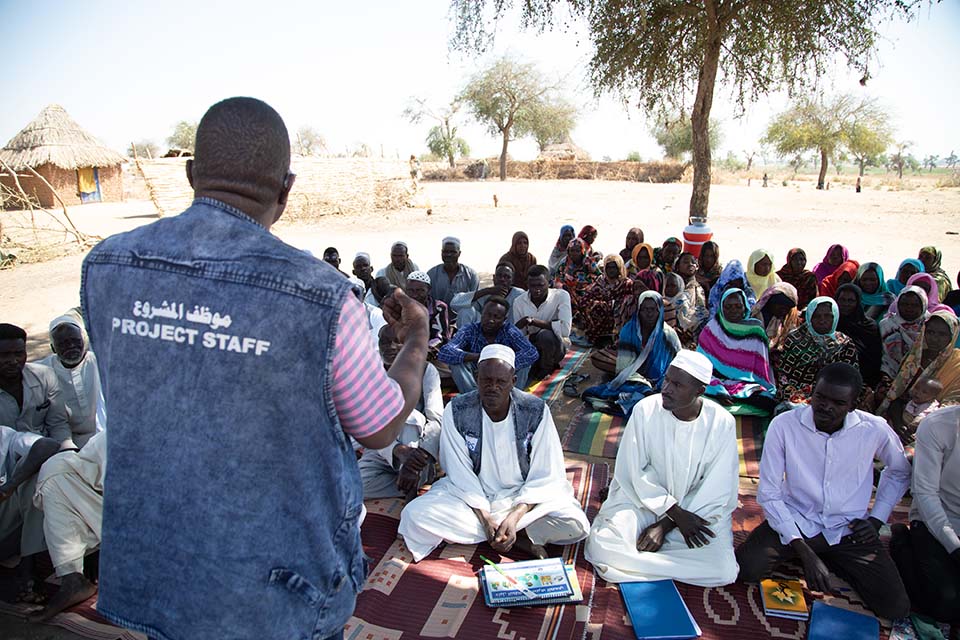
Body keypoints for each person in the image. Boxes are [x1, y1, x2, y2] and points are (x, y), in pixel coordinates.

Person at [79, 97, 430, 640]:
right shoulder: (321, 295)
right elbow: (381, 424)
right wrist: (417, 339)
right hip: (278, 593)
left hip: (161, 572)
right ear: (286, 190)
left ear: (192, 173)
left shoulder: (106, 266)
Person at [736, 363, 912, 621]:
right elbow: (770, 493)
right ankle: (812, 553)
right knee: (747, 569)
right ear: (811, 393)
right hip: (797, 521)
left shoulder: (873, 429)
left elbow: (899, 471)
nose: (826, 407)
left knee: (895, 608)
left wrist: (876, 519)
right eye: (820, 397)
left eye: (838, 403)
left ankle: (831, 555)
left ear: (853, 405)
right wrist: (803, 549)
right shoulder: (784, 425)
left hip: (848, 528)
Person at [398, 345, 590, 562]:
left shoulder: (535, 410)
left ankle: (508, 531)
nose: (493, 388)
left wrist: (517, 515)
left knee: (575, 523)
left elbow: (546, 473)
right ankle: (517, 537)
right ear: (476, 378)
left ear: (514, 381)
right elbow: (459, 472)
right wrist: (485, 517)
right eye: (487, 381)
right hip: (471, 499)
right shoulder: (457, 409)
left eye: (501, 382)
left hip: (524, 498)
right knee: (414, 516)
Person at [585, 351, 739, 586]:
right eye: (666, 380)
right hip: (640, 502)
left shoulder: (721, 423)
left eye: (677, 385)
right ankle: (668, 562)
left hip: (693, 511)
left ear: (700, 391)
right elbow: (634, 472)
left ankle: (634, 562)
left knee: (724, 570)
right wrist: (671, 514)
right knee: (603, 547)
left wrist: (667, 524)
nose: (666, 389)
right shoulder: (645, 410)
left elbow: (715, 488)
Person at [890, 406, 960, 628]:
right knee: (946, 603)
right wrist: (955, 547)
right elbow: (926, 494)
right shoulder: (938, 425)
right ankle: (902, 543)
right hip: (936, 520)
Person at [27, 430, 107, 621]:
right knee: (56, 470)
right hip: (102, 488)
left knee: (55, 475)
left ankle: (75, 571)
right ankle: (73, 577)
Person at [358, 328, 443, 500]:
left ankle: (412, 474)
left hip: (419, 448)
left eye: (396, 341)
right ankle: (409, 483)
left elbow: (436, 419)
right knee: (352, 486)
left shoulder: (426, 370)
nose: (390, 347)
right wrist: (398, 451)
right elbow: (371, 426)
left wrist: (418, 458)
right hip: (382, 448)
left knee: (410, 418)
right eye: (384, 342)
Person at [582, 292, 681, 417]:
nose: (649, 313)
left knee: (656, 400)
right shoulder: (629, 331)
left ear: (659, 311)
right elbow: (625, 366)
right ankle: (627, 402)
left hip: (660, 381)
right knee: (592, 393)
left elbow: (675, 365)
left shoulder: (668, 335)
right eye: (645, 309)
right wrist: (641, 383)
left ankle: (620, 405)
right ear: (639, 310)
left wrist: (659, 385)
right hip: (633, 378)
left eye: (653, 309)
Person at [437, 297, 539, 392]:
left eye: (496, 317)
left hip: (503, 374)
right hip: (477, 373)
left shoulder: (509, 330)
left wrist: (502, 363)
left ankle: (512, 397)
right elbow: (445, 352)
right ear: (482, 314)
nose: (490, 320)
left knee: (525, 365)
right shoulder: (470, 329)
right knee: (456, 363)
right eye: (487, 315)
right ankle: (473, 397)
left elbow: (531, 352)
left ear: (504, 320)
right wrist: (478, 357)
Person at [697, 289, 776, 408]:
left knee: (766, 400)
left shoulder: (755, 330)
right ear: (721, 308)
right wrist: (718, 390)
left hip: (747, 385)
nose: (733, 310)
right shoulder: (711, 330)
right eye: (728, 307)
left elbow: (761, 370)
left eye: (738, 306)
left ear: (745, 307)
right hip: (717, 382)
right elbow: (701, 367)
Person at [773, 297, 858, 406]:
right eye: (817, 316)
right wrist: (794, 394)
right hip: (795, 393)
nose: (822, 320)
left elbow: (850, 378)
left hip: (832, 395)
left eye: (828, 316)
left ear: (835, 317)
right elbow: (784, 374)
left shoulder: (845, 343)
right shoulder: (795, 338)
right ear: (809, 318)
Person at [877, 311, 960, 421]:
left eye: (942, 334)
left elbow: (952, 403)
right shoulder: (915, 355)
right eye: (930, 332)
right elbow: (898, 390)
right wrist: (898, 420)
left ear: (952, 336)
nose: (934, 338)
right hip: (897, 412)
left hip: (932, 421)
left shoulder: (956, 364)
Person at [38, 313, 101, 448]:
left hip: (104, 434)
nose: (71, 346)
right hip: (66, 442)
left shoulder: (100, 361)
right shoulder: (42, 371)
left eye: (75, 341)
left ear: (84, 340)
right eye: (63, 343)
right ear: (53, 348)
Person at [512, 265, 572, 379]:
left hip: (556, 346)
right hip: (532, 345)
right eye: (532, 286)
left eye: (540, 285)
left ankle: (547, 368)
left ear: (549, 283)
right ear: (527, 284)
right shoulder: (519, 302)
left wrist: (533, 321)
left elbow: (565, 331)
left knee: (546, 336)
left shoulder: (561, 296)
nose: (536, 289)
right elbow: (521, 335)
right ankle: (537, 365)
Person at [835, 284, 884, 391]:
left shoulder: (869, 326)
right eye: (842, 300)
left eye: (851, 300)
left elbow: (874, 358)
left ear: (858, 302)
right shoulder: (831, 323)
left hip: (861, 380)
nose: (846, 304)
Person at [581, 255, 634, 346]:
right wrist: (602, 305)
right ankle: (596, 337)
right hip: (600, 317)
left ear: (619, 268)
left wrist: (612, 305)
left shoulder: (626, 284)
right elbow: (586, 299)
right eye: (608, 267)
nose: (611, 270)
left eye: (614, 267)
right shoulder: (600, 281)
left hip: (618, 317)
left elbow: (628, 301)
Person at [450, 262, 523, 329]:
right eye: (499, 276)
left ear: (512, 280)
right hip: (485, 332)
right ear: (494, 278)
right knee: (466, 311)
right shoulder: (486, 293)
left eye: (507, 277)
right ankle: (465, 340)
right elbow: (454, 304)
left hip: (510, 333)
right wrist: (487, 291)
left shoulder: (519, 294)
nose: (502, 279)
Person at [880, 286, 929, 378]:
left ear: (923, 305)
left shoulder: (929, 325)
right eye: (904, 304)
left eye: (915, 305)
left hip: (922, 377)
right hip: (889, 373)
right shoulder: (887, 325)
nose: (909, 308)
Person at [553, 237, 602, 327]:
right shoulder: (564, 264)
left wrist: (588, 286)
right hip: (570, 291)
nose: (574, 253)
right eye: (572, 251)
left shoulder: (589, 262)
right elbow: (558, 279)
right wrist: (563, 286)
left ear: (582, 251)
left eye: (577, 251)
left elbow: (600, 276)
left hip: (587, 290)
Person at [405, 271, 452, 358]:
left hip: (431, 353)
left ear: (429, 290)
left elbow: (441, 338)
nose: (415, 295)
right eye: (410, 290)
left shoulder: (438, 308)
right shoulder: (400, 307)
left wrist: (424, 350)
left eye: (420, 291)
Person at [427, 237, 480, 308]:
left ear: (459, 253)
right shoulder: (431, 274)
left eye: (453, 252)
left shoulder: (471, 275)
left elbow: (475, 300)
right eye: (445, 252)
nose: (449, 255)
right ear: (441, 253)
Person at [750, 282, 800, 351]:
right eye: (781, 308)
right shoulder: (752, 316)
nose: (784, 312)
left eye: (787, 309)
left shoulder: (785, 321)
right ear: (771, 302)